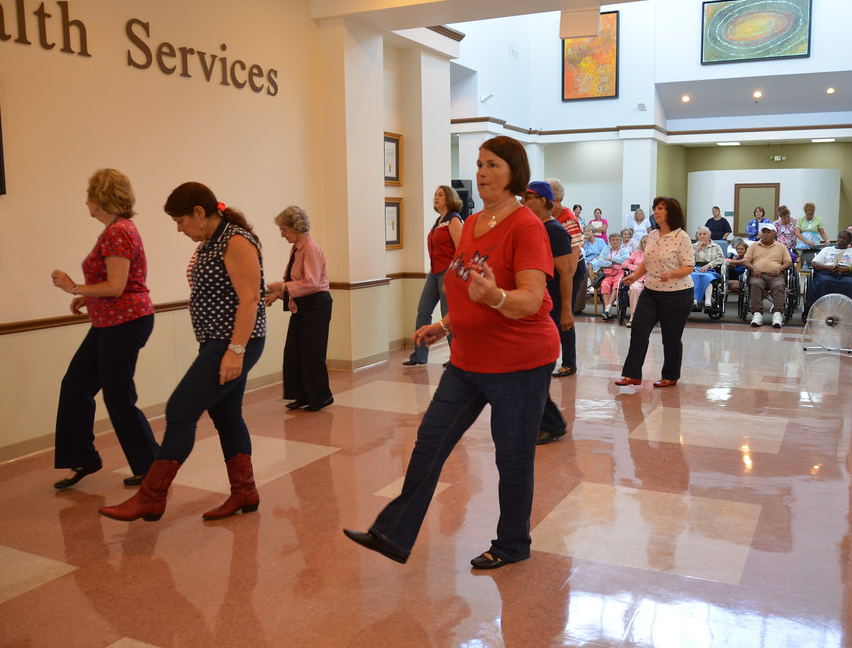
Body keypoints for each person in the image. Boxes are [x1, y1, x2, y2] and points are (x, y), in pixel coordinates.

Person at [344, 135, 560, 570]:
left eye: (493, 164)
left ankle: (513, 542)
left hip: (520, 361)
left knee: (512, 456)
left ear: (514, 173)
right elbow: (462, 288)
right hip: (467, 361)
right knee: (430, 442)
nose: (482, 172)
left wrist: (496, 296)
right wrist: (443, 325)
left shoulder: (527, 227)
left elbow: (532, 299)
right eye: (479, 164)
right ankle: (393, 533)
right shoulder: (474, 223)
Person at [99, 182, 266, 522]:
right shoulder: (212, 240)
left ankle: (151, 496)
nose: (178, 228)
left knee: (180, 410)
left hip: (232, 341)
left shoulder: (234, 240)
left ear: (199, 213)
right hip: (217, 340)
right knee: (227, 416)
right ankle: (245, 492)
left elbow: (249, 298)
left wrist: (234, 351)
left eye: (180, 221)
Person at [50, 168, 159, 490]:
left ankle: (151, 465)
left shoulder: (118, 232)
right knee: (74, 386)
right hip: (108, 322)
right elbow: (114, 284)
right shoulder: (115, 230)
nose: (86, 202)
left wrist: (74, 288)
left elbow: (116, 286)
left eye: (90, 196)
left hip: (126, 323)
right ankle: (83, 457)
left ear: (102, 198)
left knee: (118, 397)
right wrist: (88, 299)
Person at [615, 197, 694, 388]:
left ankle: (670, 376)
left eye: (660, 208)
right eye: (655, 208)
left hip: (677, 293)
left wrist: (672, 274)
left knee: (671, 337)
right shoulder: (652, 235)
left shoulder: (681, 237)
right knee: (639, 331)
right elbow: (647, 261)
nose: (656, 212)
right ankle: (632, 374)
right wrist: (635, 276)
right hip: (651, 291)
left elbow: (689, 266)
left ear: (671, 213)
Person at [265, 206, 333, 411]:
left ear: (296, 227)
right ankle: (302, 395)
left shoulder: (310, 248)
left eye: (284, 229)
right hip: (303, 305)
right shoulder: (297, 248)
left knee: (312, 353)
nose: (282, 234)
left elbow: (311, 282)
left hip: (316, 305)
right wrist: (277, 295)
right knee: (295, 352)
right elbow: (297, 280)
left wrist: (282, 287)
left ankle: (321, 396)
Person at [520, 180, 572, 445]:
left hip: (549, 308)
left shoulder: (556, 231)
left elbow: (566, 274)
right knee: (530, 370)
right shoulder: (534, 229)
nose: (522, 202)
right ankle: (550, 422)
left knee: (535, 370)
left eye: (527, 198)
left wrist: (566, 312)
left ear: (542, 200)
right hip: (533, 306)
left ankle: (550, 423)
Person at [402, 185, 463, 365]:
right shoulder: (438, 221)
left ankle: (457, 358)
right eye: (435, 195)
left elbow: (461, 249)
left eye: (440, 195)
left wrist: (453, 273)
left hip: (448, 272)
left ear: (449, 198)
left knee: (448, 314)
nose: (436, 198)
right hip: (434, 272)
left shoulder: (453, 220)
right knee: (423, 310)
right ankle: (419, 355)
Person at [549, 178, 584, 377]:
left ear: (559, 198)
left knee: (564, 314)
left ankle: (569, 363)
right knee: (551, 315)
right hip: (554, 270)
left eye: (551, 198)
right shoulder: (547, 217)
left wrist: (566, 280)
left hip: (570, 270)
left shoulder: (568, 218)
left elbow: (573, 255)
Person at [803, 230, 852, 320]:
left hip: (846, 273)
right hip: (827, 271)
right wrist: (829, 268)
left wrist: (847, 269)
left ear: (849, 242)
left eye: (844, 239)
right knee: (824, 282)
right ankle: (816, 310)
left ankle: (850, 313)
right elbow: (814, 263)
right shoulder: (827, 250)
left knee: (850, 284)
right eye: (840, 238)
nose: (841, 240)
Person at [742, 223, 792, 329]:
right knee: (755, 284)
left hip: (776, 275)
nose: (765, 234)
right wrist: (754, 268)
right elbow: (745, 261)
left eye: (768, 232)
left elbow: (788, 262)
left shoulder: (781, 246)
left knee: (779, 285)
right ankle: (757, 314)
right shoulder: (754, 246)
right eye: (763, 232)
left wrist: (779, 269)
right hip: (758, 275)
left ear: (774, 234)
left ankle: (777, 314)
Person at [595, 232, 630, 319]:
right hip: (608, 273)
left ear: (620, 241)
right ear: (610, 242)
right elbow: (600, 262)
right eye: (613, 240)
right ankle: (608, 311)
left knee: (616, 285)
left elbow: (625, 260)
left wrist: (611, 259)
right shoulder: (605, 251)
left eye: (617, 240)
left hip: (619, 272)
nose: (615, 242)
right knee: (605, 285)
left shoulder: (624, 251)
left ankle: (607, 309)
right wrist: (615, 262)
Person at [691, 226, 724, 309]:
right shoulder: (693, 246)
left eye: (704, 234)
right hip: (695, 269)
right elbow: (688, 259)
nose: (702, 236)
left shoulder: (716, 247)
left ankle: (708, 302)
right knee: (694, 276)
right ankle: (694, 300)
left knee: (707, 277)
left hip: (711, 269)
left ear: (709, 235)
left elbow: (720, 259)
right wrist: (697, 249)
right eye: (700, 234)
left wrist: (709, 265)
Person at [623, 234, 647, 327]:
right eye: (644, 242)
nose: (646, 244)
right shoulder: (636, 253)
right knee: (634, 289)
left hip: (651, 278)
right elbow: (625, 264)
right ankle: (633, 316)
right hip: (637, 278)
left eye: (648, 242)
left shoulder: (656, 254)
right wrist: (637, 268)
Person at [796, 202, 828, 269]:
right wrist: (807, 241)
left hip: (814, 243)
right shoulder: (800, 219)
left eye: (812, 214)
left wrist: (827, 240)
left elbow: (822, 232)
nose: (810, 216)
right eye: (808, 214)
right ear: (805, 212)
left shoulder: (818, 219)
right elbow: (797, 233)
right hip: (803, 243)